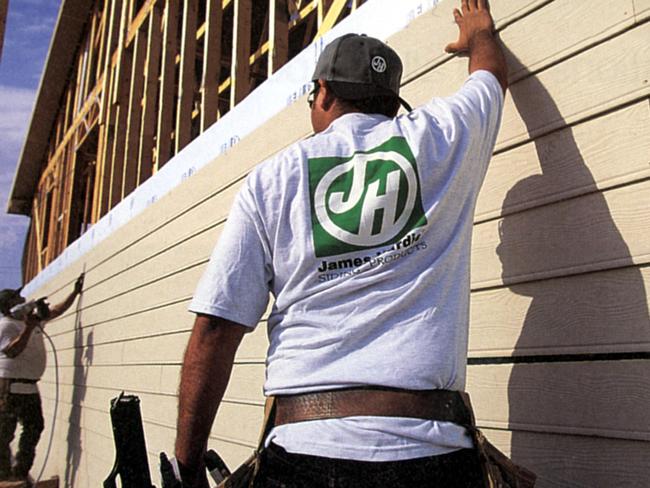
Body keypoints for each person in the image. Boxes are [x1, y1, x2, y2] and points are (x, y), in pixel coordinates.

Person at [175, 0, 507, 486]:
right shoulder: (442, 136)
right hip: (433, 455)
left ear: (323, 93)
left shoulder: (273, 179)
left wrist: (185, 467)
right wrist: (479, 34)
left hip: (303, 457)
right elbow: (490, 79)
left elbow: (214, 331)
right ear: (391, 101)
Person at [0, 274, 84, 483]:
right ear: (9, 306)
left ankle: (20, 471)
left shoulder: (30, 322)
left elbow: (56, 310)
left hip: (29, 386)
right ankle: (2, 474)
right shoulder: (6, 326)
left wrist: (74, 292)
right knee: (4, 433)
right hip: (10, 386)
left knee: (34, 426)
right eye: (17, 300)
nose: (22, 301)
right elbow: (12, 351)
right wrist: (29, 327)